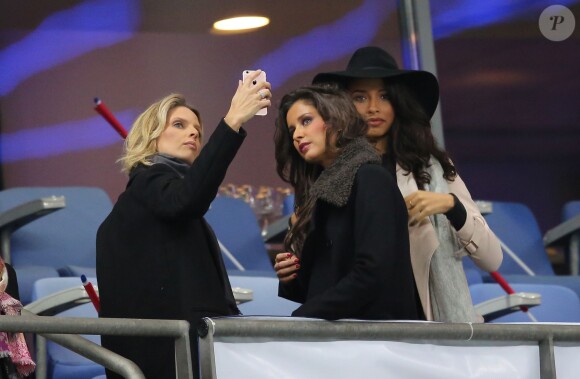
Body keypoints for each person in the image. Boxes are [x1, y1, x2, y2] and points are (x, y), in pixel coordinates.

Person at [277, 46, 503, 323]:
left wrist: (451, 206)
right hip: (361, 320)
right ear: (341, 107)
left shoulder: (429, 169)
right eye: (360, 97)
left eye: (384, 96)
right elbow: (330, 274)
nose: (373, 107)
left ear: (398, 102)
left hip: (425, 317)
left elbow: (492, 259)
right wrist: (293, 270)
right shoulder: (326, 176)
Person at [96, 71, 271, 379]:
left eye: (198, 130)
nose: (193, 134)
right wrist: (231, 122)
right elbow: (187, 200)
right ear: (151, 136)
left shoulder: (155, 193)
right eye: (179, 124)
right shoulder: (149, 183)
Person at [272, 85, 419, 321]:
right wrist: (292, 275)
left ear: (336, 120)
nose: (297, 134)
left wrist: (304, 317)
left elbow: (373, 273)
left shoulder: (370, 178)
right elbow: (321, 284)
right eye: (292, 129)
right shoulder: (321, 193)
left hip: (376, 342)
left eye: (306, 121)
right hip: (343, 340)